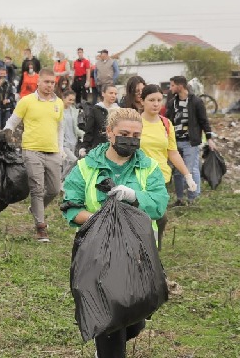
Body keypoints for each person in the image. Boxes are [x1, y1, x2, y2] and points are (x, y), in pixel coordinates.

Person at [61, 108, 169, 358]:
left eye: (135, 135)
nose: (130, 139)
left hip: (139, 254)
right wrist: (104, 220)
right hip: (99, 253)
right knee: (109, 314)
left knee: (135, 314)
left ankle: (118, 332)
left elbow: (159, 204)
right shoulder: (86, 167)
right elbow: (71, 207)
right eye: (123, 133)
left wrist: (134, 197)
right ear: (109, 133)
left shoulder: (149, 168)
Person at [0, 68, 64, 242]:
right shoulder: (26, 101)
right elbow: (12, 122)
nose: (50, 85)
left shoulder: (59, 103)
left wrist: (61, 149)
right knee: (37, 189)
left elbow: (60, 128)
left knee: (55, 189)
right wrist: (5, 134)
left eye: (52, 82)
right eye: (47, 82)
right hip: (32, 151)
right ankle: (41, 227)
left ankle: (35, 209)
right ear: (38, 82)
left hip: (53, 152)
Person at [139, 84, 197, 247]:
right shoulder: (135, 122)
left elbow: (172, 152)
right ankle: (142, 250)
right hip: (138, 177)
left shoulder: (166, 124)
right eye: (151, 100)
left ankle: (155, 244)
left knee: (161, 217)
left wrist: (187, 175)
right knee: (144, 216)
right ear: (142, 101)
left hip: (160, 178)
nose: (156, 104)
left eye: (159, 100)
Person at [166, 76, 217, 206]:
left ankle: (193, 198)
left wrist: (209, 138)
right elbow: (168, 120)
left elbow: (203, 120)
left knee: (189, 169)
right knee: (178, 171)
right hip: (175, 142)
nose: (170, 88)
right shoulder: (172, 102)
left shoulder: (196, 102)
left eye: (172, 85)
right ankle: (179, 199)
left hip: (190, 141)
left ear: (180, 86)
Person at [79, 85, 120, 157]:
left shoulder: (119, 110)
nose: (113, 96)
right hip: (98, 148)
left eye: (115, 94)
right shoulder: (96, 109)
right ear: (103, 93)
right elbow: (89, 129)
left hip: (115, 149)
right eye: (111, 93)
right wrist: (84, 146)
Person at [61, 90, 83, 180]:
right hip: (63, 142)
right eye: (69, 99)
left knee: (66, 164)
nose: (71, 102)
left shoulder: (73, 111)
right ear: (63, 98)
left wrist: (84, 134)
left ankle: (62, 184)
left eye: (73, 100)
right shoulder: (57, 110)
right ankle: (61, 180)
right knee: (73, 161)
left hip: (73, 141)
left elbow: (75, 128)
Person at [0, 67, 15, 134]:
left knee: (6, 128)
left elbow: (12, 96)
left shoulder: (9, 84)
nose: (2, 76)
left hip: (6, 108)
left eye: (4, 74)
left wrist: (8, 100)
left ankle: (4, 143)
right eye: (1, 74)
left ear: (6, 74)